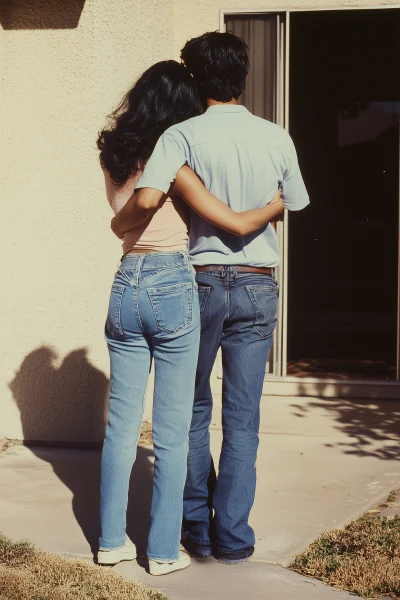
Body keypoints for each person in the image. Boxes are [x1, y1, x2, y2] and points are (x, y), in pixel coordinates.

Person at [112, 33, 310, 566]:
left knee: (194, 410)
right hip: (256, 281)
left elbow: (148, 199)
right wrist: (263, 212)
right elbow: (293, 202)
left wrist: (117, 225)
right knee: (244, 417)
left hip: (197, 279)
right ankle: (234, 539)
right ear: (243, 77)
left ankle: (196, 530)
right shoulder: (276, 136)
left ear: (196, 79)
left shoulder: (180, 134)